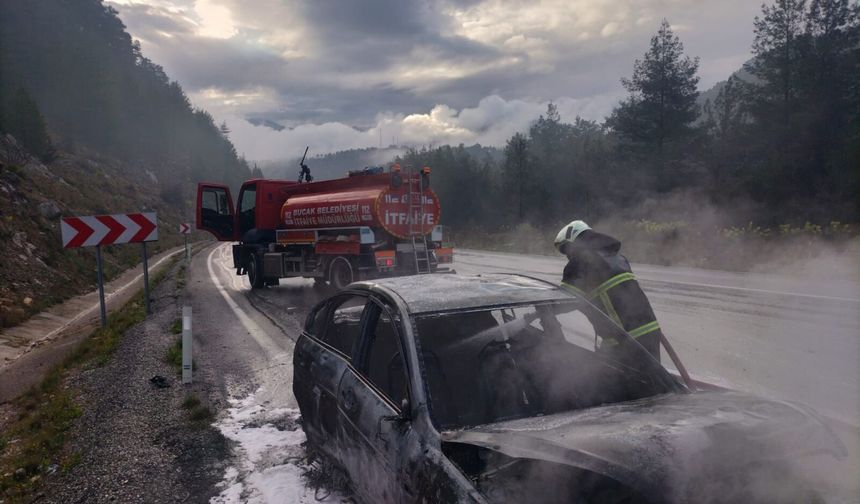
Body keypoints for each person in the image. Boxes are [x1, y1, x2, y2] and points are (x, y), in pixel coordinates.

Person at [554, 220, 662, 362]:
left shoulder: (579, 263)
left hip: (623, 341)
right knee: (653, 381)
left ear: (574, 242)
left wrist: (535, 312)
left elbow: (564, 300)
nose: (568, 255)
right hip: (651, 331)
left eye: (567, 248)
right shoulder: (619, 258)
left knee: (609, 382)